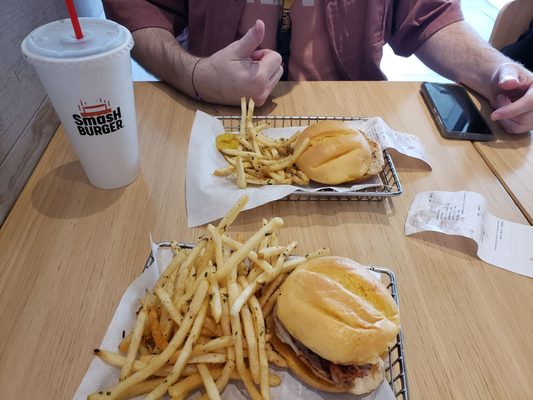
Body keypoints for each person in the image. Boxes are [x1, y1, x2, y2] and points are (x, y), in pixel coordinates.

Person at [103, 0, 533, 134]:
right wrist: (193, 74)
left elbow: (426, 15)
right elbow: (137, 11)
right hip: (209, 119)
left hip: (353, 130)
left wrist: (495, 71)